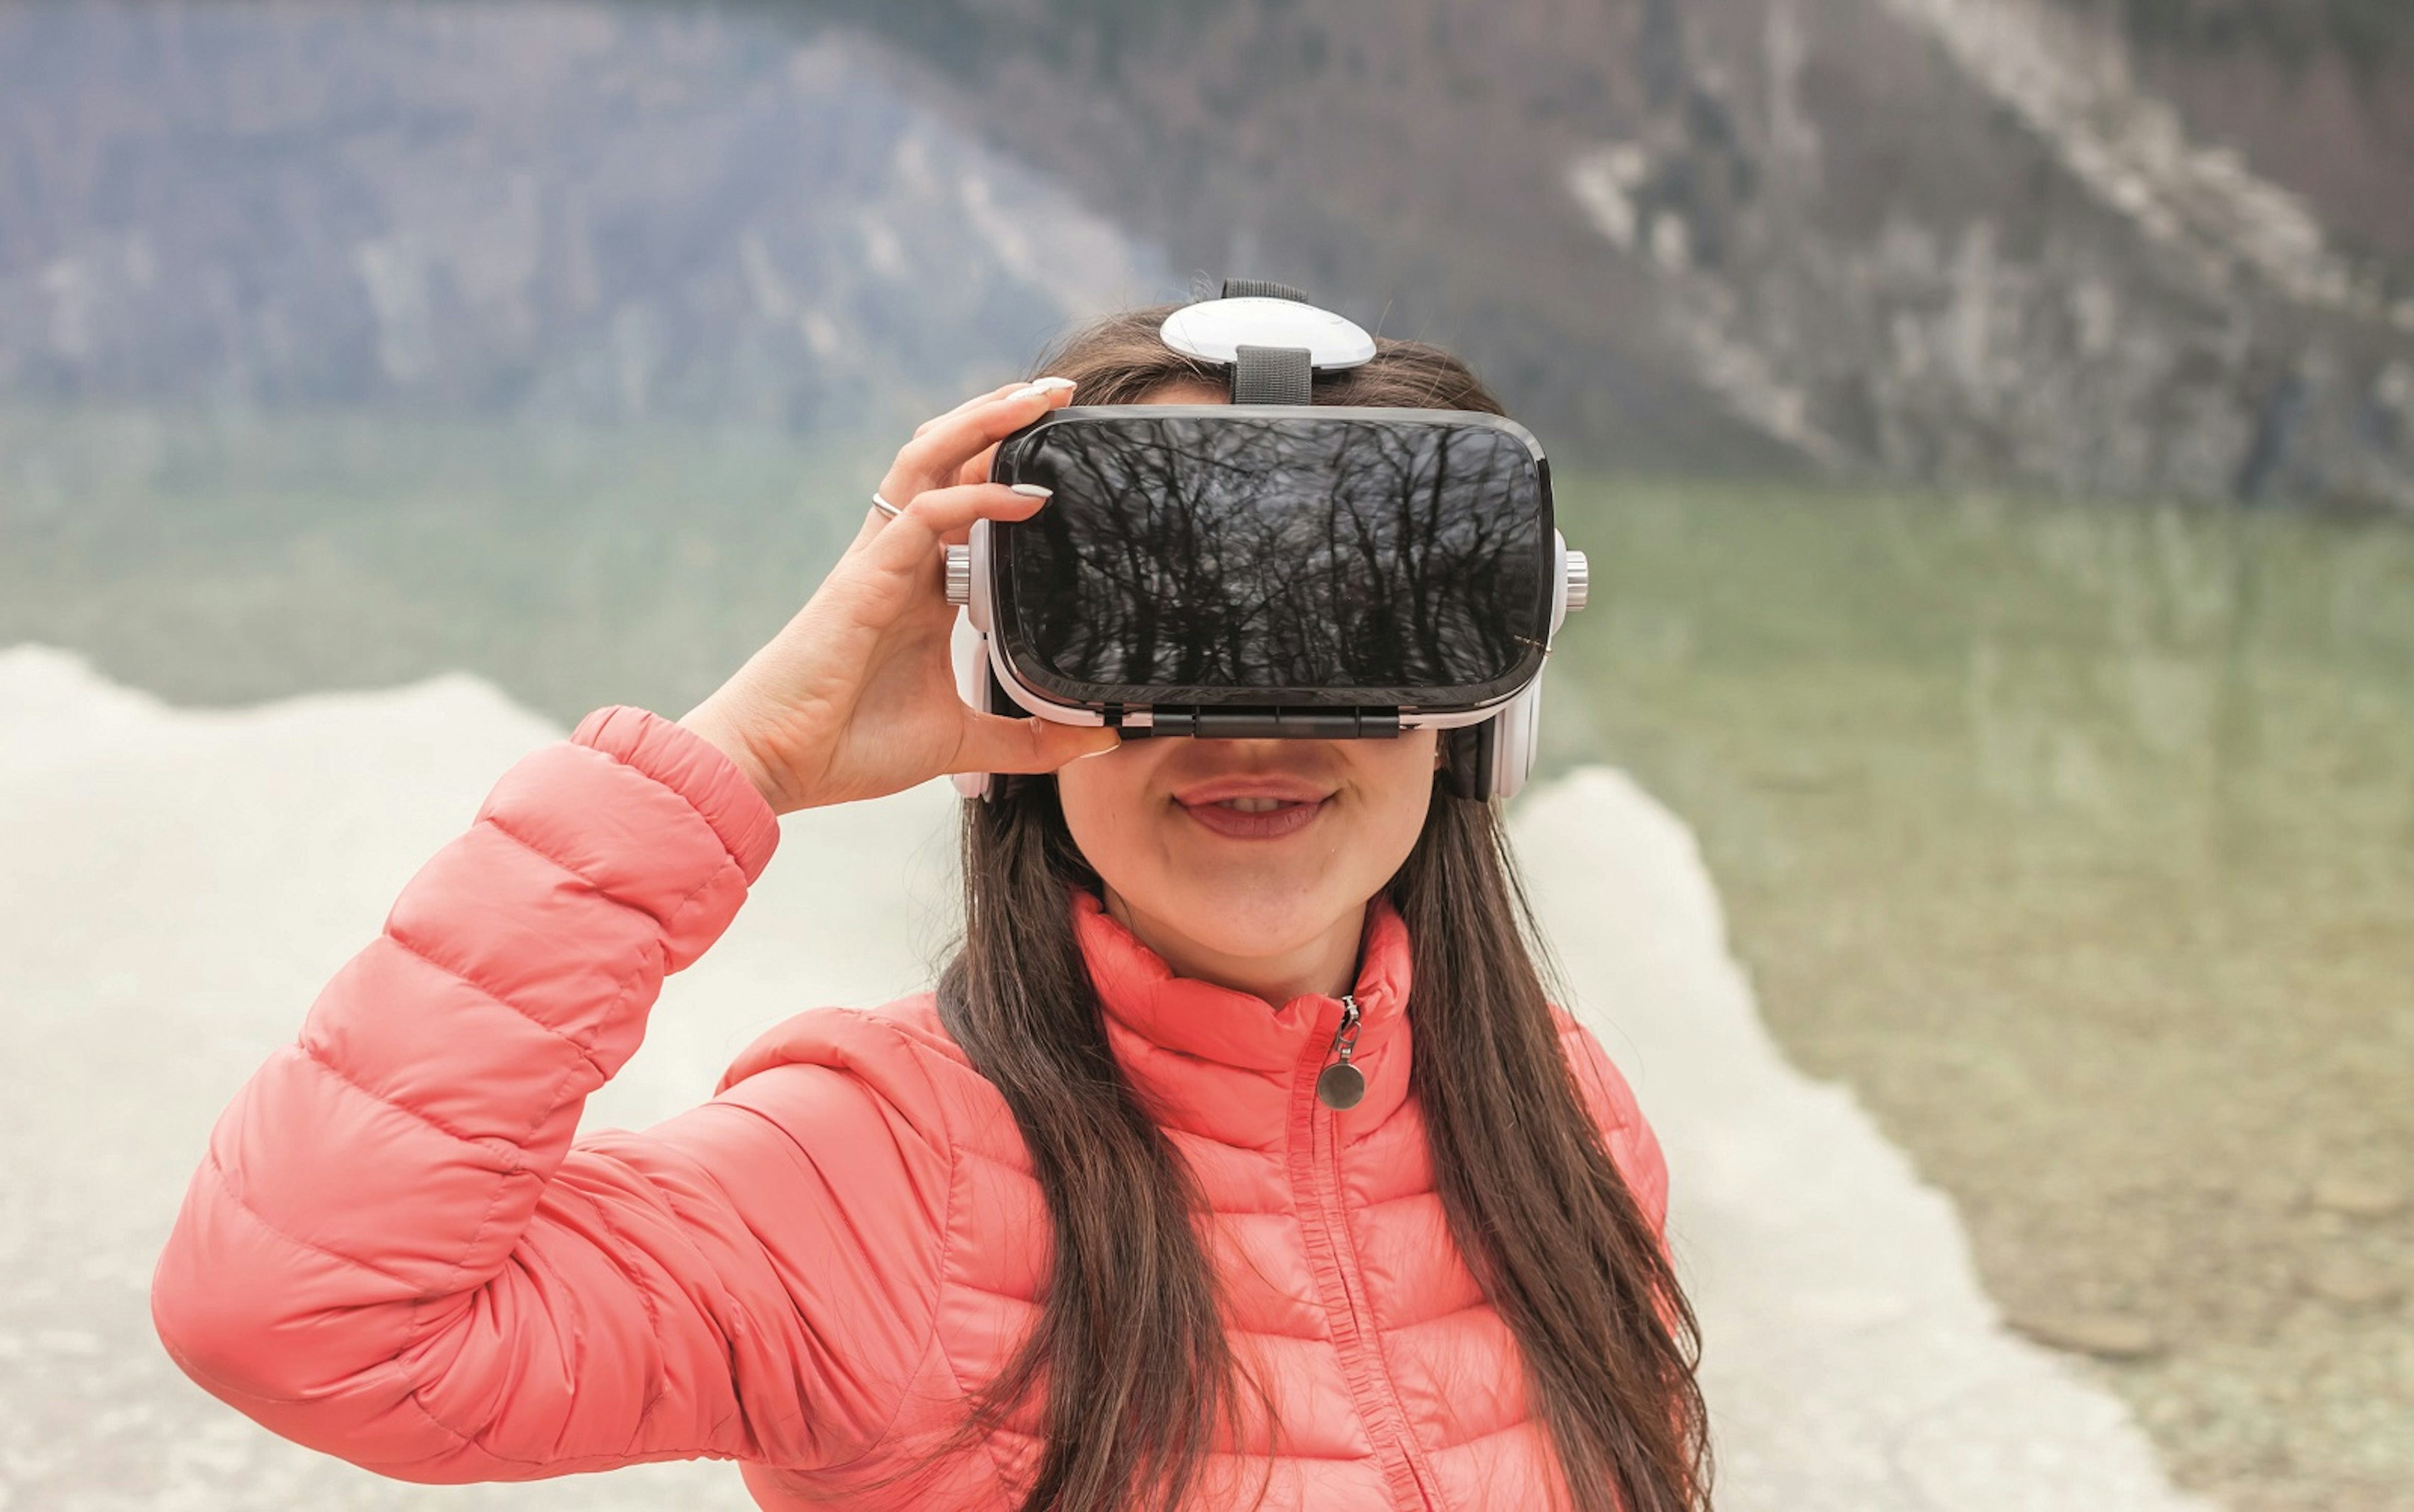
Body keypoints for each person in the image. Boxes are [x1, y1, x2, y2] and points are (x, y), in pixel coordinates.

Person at [150, 303, 1710, 1512]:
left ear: (1480, 712)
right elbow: (293, 1320)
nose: (1257, 729)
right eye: (1164, 635)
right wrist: (746, 760)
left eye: (1351, 634)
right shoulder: (872, 1170)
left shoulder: (1556, 1114)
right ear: (1000, 679)